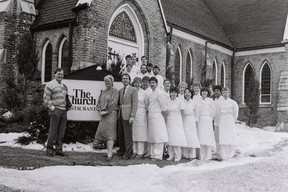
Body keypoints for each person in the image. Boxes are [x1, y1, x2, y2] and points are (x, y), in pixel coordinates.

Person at [43, 68, 69, 157]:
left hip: (63, 110)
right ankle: (49, 150)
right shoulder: (50, 84)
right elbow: (46, 98)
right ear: (55, 74)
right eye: (59, 74)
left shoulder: (64, 86)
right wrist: (52, 108)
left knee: (61, 132)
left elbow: (65, 98)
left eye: (62, 74)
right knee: (53, 131)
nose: (60, 76)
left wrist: (67, 106)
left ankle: (59, 149)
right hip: (55, 110)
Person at [94, 75, 119, 161]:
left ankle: (110, 153)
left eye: (109, 81)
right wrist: (99, 109)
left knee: (110, 134)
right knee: (105, 133)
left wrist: (106, 111)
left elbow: (113, 103)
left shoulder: (115, 92)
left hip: (111, 114)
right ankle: (108, 151)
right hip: (103, 115)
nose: (107, 83)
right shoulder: (103, 92)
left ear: (112, 82)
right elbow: (98, 102)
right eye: (106, 81)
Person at [147, 77, 168, 161]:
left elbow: (163, 106)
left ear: (156, 83)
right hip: (151, 116)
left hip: (157, 116)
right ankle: (153, 154)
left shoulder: (159, 93)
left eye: (153, 82)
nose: (151, 84)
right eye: (150, 83)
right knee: (153, 135)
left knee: (158, 136)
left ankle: (158, 155)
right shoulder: (152, 93)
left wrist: (163, 116)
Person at [118, 73, 138, 159]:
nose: (125, 80)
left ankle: (128, 154)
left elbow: (135, 104)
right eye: (123, 78)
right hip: (120, 114)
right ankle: (122, 150)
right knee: (120, 134)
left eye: (126, 78)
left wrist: (132, 116)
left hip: (128, 115)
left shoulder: (133, 90)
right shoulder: (120, 90)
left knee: (128, 136)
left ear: (129, 80)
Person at [217, 87, 239, 160]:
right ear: (222, 94)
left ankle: (230, 154)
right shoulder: (219, 103)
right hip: (223, 121)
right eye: (224, 93)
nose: (225, 94)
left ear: (229, 93)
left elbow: (236, 114)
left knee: (230, 137)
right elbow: (219, 113)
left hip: (230, 121)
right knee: (223, 138)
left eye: (226, 92)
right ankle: (224, 155)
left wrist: (232, 120)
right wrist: (222, 119)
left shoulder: (233, 103)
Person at [166, 87, 187, 162]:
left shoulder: (180, 101)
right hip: (169, 120)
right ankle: (171, 155)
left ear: (177, 93)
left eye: (175, 92)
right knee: (170, 137)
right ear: (170, 93)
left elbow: (183, 113)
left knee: (177, 138)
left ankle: (178, 156)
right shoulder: (167, 101)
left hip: (177, 120)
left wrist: (182, 122)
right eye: (172, 92)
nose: (173, 94)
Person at [197, 87, 216, 160]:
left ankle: (208, 156)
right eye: (203, 91)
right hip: (200, 120)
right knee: (201, 137)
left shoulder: (210, 100)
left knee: (208, 138)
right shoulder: (198, 101)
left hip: (207, 120)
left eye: (205, 91)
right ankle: (202, 155)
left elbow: (213, 111)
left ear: (208, 93)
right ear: (201, 93)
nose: (204, 93)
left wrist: (210, 118)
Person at [131, 77, 148, 158]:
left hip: (142, 113)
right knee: (134, 132)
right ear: (133, 83)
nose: (137, 84)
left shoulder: (144, 93)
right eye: (135, 82)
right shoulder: (131, 91)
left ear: (141, 84)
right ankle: (134, 151)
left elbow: (147, 104)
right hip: (133, 113)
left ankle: (140, 152)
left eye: (139, 82)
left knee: (140, 132)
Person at [182, 88, 200, 159]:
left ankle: (193, 154)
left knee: (192, 137)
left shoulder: (194, 102)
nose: (187, 94)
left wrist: (195, 121)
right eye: (185, 92)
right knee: (185, 136)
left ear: (191, 93)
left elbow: (197, 113)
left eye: (188, 92)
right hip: (184, 120)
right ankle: (185, 154)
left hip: (191, 120)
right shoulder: (182, 102)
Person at [211, 85, 224, 158]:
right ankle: (218, 151)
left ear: (220, 92)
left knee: (222, 137)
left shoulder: (222, 100)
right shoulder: (214, 100)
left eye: (217, 91)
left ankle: (222, 152)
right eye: (215, 91)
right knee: (217, 138)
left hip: (222, 122)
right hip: (216, 122)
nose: (216, 92)